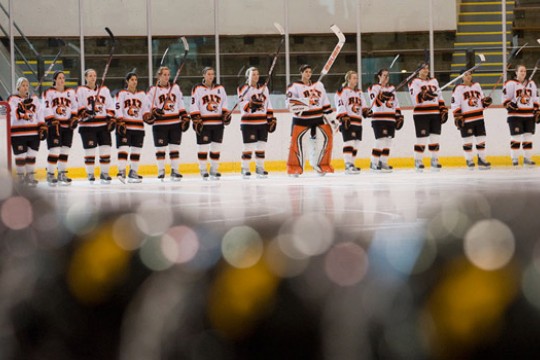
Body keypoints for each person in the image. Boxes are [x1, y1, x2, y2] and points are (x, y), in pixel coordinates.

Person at [286, 64, 334, 176]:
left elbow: (325, 102)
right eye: (306, 71)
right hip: (301, 119)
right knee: (297, 143)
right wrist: (305, 102)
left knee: (315, 142)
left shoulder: (318, 86)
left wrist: (332, 119)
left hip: (317, 118)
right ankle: (295, 168)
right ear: (301, 73)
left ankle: (317, 166)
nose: (308, 74)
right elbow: (289, 104)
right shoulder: (294, 86)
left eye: (310, 71)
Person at [145, 66, 190, 181]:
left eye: (168, 74)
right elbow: (148, 104)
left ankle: (175, 170)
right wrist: (155, 110)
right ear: (159, 76)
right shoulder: (153, 90)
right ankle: (161, 170)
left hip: (175, 123)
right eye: (164, 74)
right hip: (160, 125)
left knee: (174, 148)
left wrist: (184, 116)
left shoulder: (175, 88)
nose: (166, 77)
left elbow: (180, 103)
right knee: (161, 149)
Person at [76, 69, 116, 184]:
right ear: (85, 78)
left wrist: (110, 118)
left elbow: (110, 106)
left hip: (103, 126)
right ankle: (90, 173)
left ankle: (104, 173)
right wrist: (86, 113)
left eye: (94, 75)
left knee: (105, 149)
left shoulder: (104, 90)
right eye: (90, 75)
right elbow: (78, 105)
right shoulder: (81, 90)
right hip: (87, 127)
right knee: (90, 151)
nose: (93, 77)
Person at [190, 67, 231, 180]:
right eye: (208, 74)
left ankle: (214, 169)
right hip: (204, 123)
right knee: (202, 147)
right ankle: (203, 169)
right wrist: (196, 119)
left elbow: (225, 103)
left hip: (218, 123)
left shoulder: (220, 88)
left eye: (212, 74)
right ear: (204, 75)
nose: (211, 76)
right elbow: (194, 104)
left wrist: (225, 114)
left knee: (216, 147)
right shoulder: (197, 88)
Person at [408, 63, 448, 172]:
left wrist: (443, 108)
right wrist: (424, 95)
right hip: (421, 114)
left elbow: (439, 95)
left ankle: (434, 159)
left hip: (435, 113)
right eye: (423, 68)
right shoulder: (414, 82)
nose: (425, 70)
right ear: (418, 71)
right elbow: (414, 99)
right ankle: (418, 160)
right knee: (422, 138)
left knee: (435, 138)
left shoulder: (434, 81)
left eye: (427, 68)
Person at [237, 67, 276, 178]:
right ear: (247, 76)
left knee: (261, 146)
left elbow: (268, 104)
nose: (256, 76)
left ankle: (260, 167)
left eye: (257, 74)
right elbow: (243, 105)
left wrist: (270, 118)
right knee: (248, 147)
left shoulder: (264, 88)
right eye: (253, 74)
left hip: (262, 122)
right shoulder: (243, 88)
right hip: (248, 123)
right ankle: (245, 168)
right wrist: (252, 105)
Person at [7, 77, 46, 186]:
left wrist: (42, 127)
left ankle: (30, 176)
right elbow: (13, 115)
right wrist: (22, 106)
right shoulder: (12, 99)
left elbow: (40, 113)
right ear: (18, 87)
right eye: (23, 85)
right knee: (21, 156)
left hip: (33, 133)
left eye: (27, 85)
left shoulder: (34, 99)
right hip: (18, 134)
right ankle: (20, 177)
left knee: (31, 155)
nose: (25, 87)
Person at [42, 70, 78, 186]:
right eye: (59, 78)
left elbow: (74, 106)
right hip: (54, 125)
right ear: (54, 80)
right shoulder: (49, 92)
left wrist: (73, 117)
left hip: (67, 125)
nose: (62, 80)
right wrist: (51, 119)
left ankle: (62, 173)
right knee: (55, 150)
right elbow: (46, 106)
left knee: (65, 150)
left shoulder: (70, 92)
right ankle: (51, 174)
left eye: (63, 78)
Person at [451, 69, 493, 169]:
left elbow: (481, 102)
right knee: (467, 140)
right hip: (466, 119)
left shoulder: (477, 85)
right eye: (466, 74)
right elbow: (455, 104)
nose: (468, 76)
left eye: (470, 74)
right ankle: (469, 160)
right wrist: (458, 116)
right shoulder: (458, 88)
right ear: (461, 76)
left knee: (481, 139)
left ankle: (482, 160)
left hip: (479, 117)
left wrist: (486, 102)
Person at [502, 64, 540, 167]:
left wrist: (537, 111)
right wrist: (510, 105)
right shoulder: (510, 83)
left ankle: (527, 158)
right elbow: (505, 98)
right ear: (516, 72)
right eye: (521, 71)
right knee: (516, 137)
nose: (523, 73)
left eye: (524, 71)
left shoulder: (531, 84)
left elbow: (535, 99)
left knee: (528, 137)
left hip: (529, 115)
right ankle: (515, 158)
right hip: (515, 116)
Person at [115, 72, 149, 183]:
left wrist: (149, 115)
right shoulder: (121, 93)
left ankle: (133, 172)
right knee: (123, 149)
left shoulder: (142, 95)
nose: (134, 82)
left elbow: (145, 110)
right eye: (132, 79)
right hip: (125, 126)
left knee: (136, 150)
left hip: (138, 127)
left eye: (136, 79)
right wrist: (120, 120)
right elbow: (118, 108)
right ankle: (121, 171)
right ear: (127, 81)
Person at [368, 68, 403, 173]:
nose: (386, 77)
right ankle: (374, 162)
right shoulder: (373, 88)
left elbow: (396, 104)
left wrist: (399, 115)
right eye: (384, 75)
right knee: (380, 140)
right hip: (379, 118)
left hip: (390, 118)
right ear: (379, 76)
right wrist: (382, 97)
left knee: (388, 141)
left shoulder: (392, 88)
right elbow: (374, 103)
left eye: (388, 75)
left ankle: (383, 162)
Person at [334, 70, 370, 174]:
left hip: (358, 121)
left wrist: (366, 111)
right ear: (348, 79)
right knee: (349, 142)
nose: (356, 80)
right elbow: (339, 102)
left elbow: (363, 105)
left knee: (356, 143)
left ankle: (352, 163)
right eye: (354, 78)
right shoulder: (343, 91)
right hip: (348, 120)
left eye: (357, 78)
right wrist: (343, 116)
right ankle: (347, 165)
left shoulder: (359, 92)